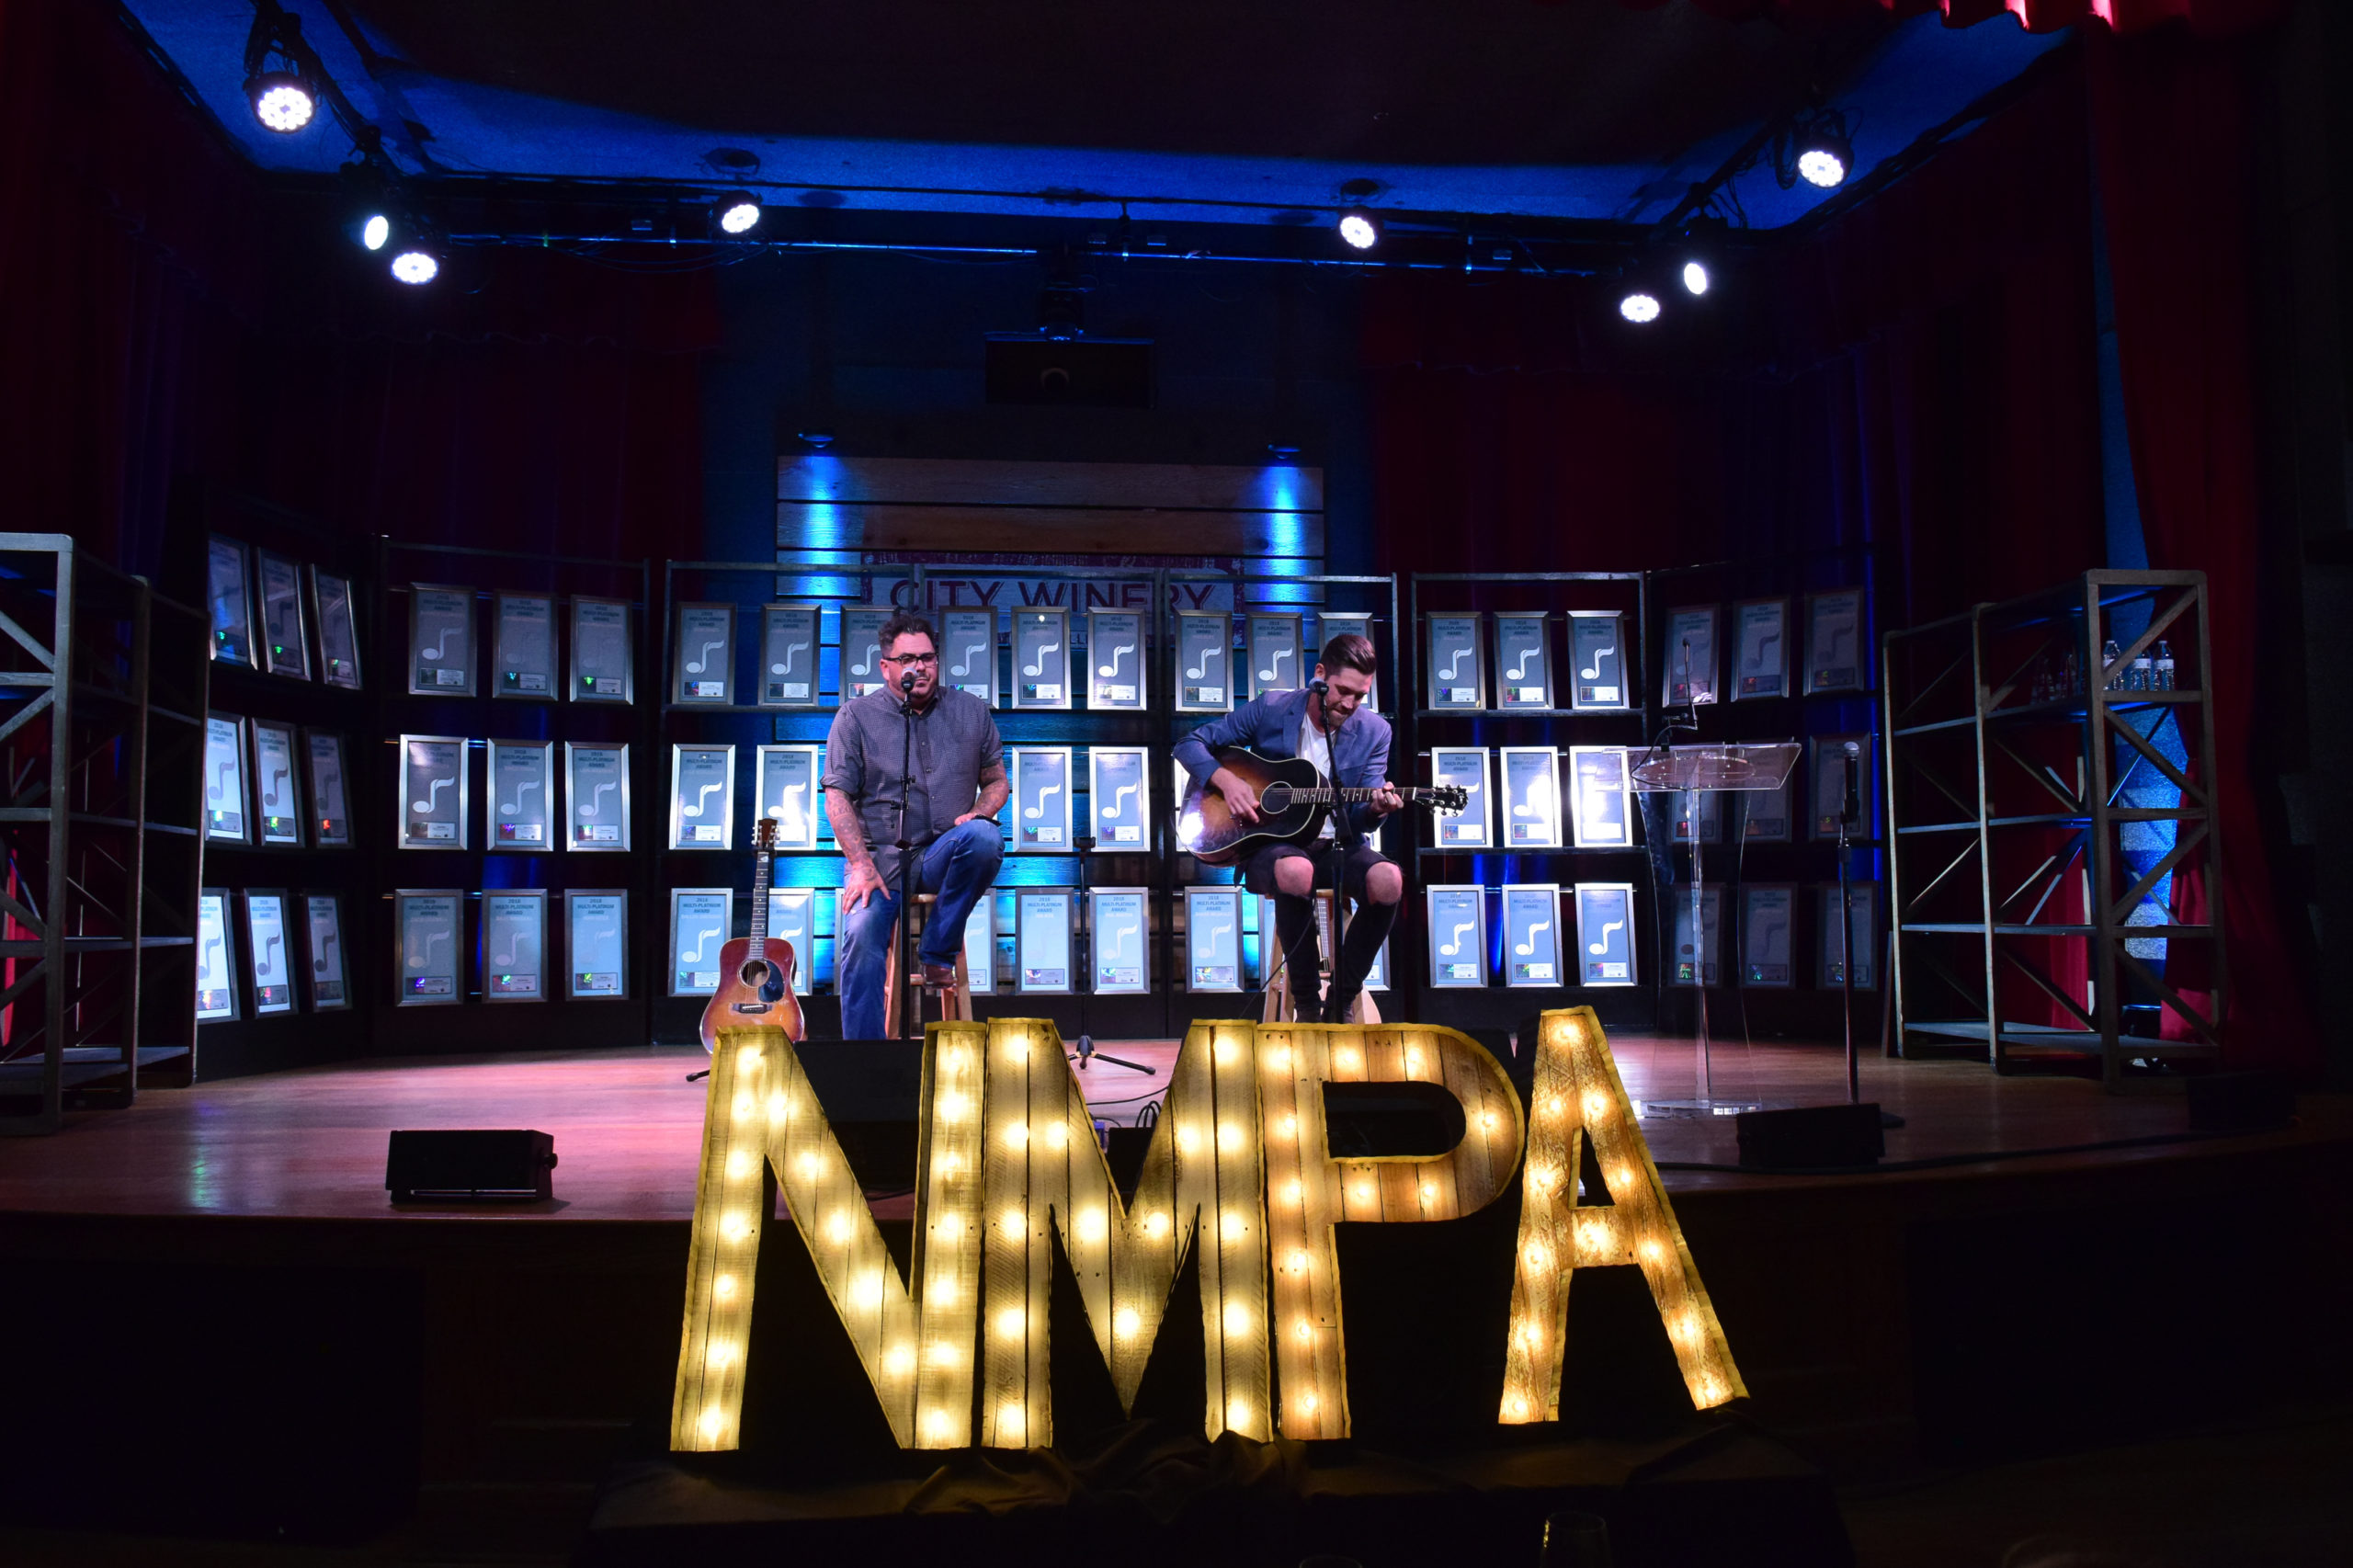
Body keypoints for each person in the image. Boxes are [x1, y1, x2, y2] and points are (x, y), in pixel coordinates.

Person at [1174, 632, 1404, 1023]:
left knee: (1389, 880)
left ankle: (1341, 1002)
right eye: (1343, 691)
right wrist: (1227, 781)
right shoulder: (1272, 708)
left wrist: (1378, 810)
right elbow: (1189, 744)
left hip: (1336, 847)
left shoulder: (1375, 731)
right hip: (1273, 849)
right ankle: (1308, 1006)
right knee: (1297, 870)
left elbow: (1359, 816)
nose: (1349, 704)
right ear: (1320, 675)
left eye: (1360, 696)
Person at [823, 611, 1007, 1039]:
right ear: (885, 666)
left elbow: (997, 780)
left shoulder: (970, 710)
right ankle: (866, 1059)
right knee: (861, 935)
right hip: (881, 862)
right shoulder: (855, 716)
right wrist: (860, 865)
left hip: (943, 852)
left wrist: (980, 812)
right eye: (907, 659)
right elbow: (836, 797)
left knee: (985, 837)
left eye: (927, 658)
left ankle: (937, 951)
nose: (919, 667)